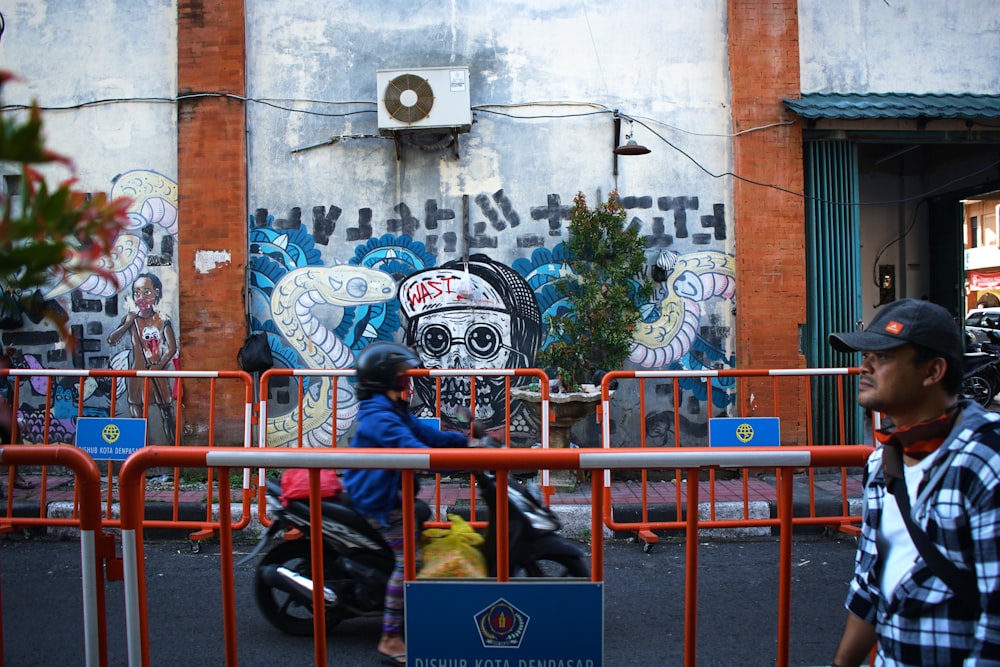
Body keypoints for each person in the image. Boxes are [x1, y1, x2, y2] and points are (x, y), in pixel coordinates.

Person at [828, 298, 1000, 666]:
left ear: (933, 371)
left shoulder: (986, 460)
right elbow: (870, 586)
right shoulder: (883, 461)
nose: (865, 367)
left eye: (884, 357)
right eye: (866, 356)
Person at [342, 341, 476, 665]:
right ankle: (389, 638)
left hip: (389, 493)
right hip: (378, 501)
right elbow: (416, 452)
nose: (407, 378)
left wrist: (466, 442)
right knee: (408, 562)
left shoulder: (392, 409)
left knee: (421, 514)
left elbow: (428, 436)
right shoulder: (379, 417)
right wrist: (463, 462)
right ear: (385, 378)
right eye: (402, 374)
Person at [107, 272, 177, 419]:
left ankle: (170, 438)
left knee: (166, 409)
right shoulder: (132, 319)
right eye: (137, 293)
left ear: (156, 293)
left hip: (156, 370)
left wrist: (160, 365)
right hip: (137, 372)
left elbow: (172, 348)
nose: (141, 297)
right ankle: (141, 440)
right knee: (136, 406)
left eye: (146, 292)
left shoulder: (162, 319)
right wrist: (127, 323)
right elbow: (112, 340)